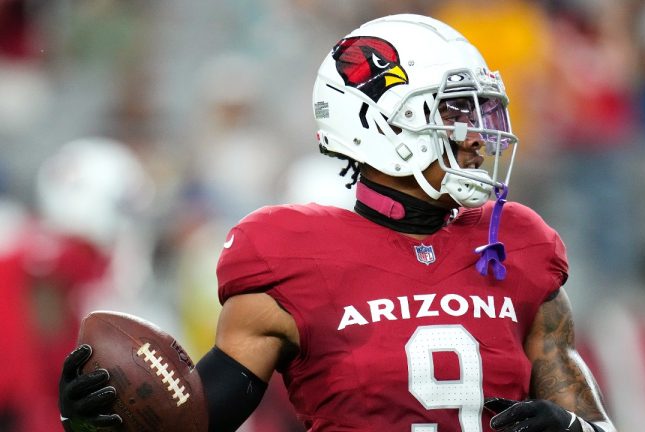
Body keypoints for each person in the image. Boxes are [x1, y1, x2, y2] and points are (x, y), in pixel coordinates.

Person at [59, 14, 616, 432]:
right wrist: (103, 421)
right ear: (376, 122)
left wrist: (571, 429)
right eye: (453, 113)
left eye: (480, 113)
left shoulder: (517, 243)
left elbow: (594, 424)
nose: (476, 137)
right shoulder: (288, 253)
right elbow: (196, 422)